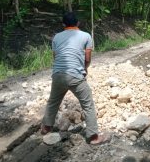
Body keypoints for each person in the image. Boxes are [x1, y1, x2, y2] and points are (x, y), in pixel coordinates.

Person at [41, 12, 109, 145]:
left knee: (53, 102)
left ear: (63, 24)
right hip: (75, 76)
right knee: (88, 105)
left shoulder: (56, 37)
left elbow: (56, 57)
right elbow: (87, 58)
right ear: (78, 23)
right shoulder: (86, 36)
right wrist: (84, 69)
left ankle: (46, 128)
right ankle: (93, 137)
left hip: (57, 74)